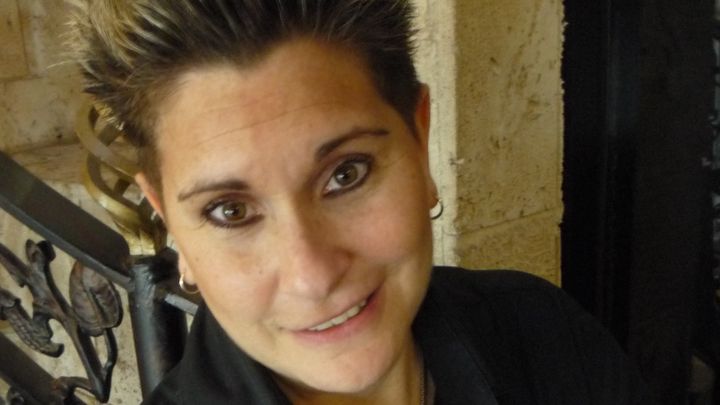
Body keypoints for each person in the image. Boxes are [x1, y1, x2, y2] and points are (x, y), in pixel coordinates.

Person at [70, 1, 651, 404]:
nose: (312, 277)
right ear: (171, 224)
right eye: (230, 211)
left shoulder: (545, 337)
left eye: (345, 175)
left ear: (420, 142)